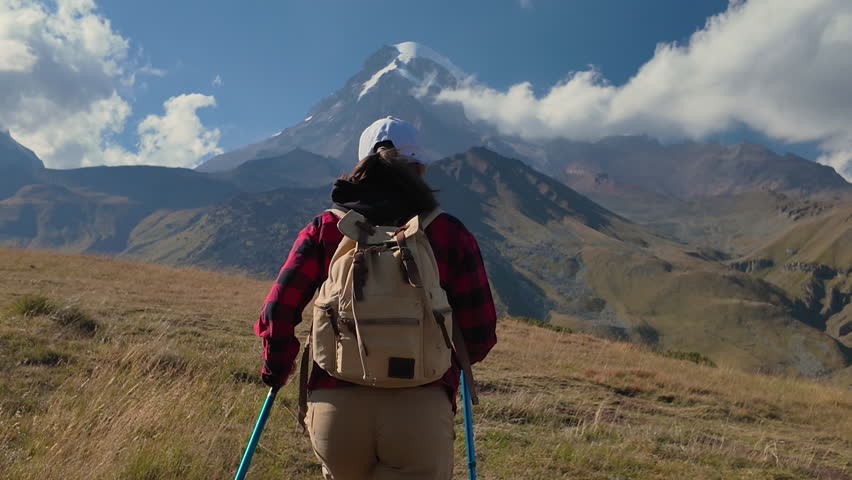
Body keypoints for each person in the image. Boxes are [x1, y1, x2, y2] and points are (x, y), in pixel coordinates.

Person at [254, 116, 498, 480]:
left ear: (360, 167)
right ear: (420, 167)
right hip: (420, 409)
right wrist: (440, 361)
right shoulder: (448, 232)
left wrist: (277, 368)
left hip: (337, 404)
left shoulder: (327, 228)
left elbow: (278, 309)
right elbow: (479, 332)